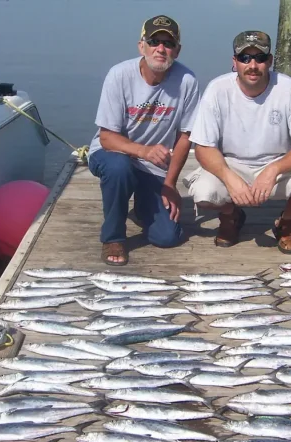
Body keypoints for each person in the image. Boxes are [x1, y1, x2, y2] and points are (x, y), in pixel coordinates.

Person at [183, 30, 291, 254]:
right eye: (245, 58)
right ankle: (231, 216)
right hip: (231, 164)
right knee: (203, 194)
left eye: (260, 58)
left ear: (269, 61)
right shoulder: (216, 89)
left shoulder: (289, 89)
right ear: (235, 62)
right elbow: (203, 148)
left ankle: (286, 222)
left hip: (278, 166)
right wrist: (229, 178)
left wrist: (273, 170)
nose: (253, 65)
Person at [88, 15, 200, 265]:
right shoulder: (119, 75)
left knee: (167, 237)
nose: (161, 49)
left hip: (153, 166)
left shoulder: (188, 82)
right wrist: (143, 151)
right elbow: (107, 138)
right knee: (119, 168)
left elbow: (185, 137)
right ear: (142, 46)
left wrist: (169, 184)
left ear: (177, 50)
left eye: (168, 43)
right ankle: (113, 237)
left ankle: (142, 207)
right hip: (113, 155)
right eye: (154, 41)